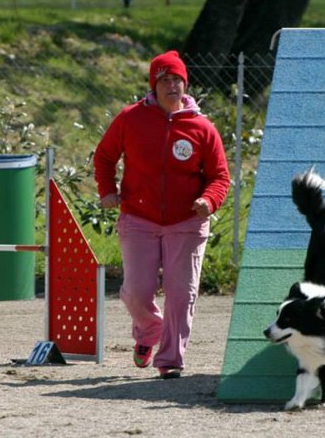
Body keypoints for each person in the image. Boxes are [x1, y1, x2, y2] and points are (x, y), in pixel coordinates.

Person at [93, 50, 230, 379]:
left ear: (186, 84)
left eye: (177, 80)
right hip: (139, 218)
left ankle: (170, 360)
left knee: (181, 294)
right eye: (164, 80)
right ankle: (149, 330)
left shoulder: (202, 128)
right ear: (153, 87)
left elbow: (220, 176)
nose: (172, 85)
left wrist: (208, 201)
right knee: (135, 292)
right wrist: (107, 191)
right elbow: (104, 156)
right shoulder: (130, 118)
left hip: (186, 222)